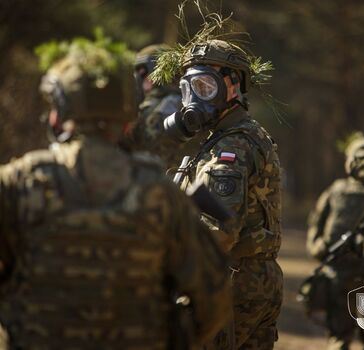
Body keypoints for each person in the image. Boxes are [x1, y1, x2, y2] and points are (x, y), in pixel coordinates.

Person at [0, 36, 231, 350]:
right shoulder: (162, 195)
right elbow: (213, 297)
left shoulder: (18, 183)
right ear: (127, 123)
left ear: (59, 115)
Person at [153, 37, 283, 349]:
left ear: (233, 86)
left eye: (205, 87)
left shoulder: (230, 147)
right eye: (188, 89)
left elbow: (219, 232)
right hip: (254, 280)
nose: (195, 100)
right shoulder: (242, 135)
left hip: (232, 282)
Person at [306, 128, 364, 350]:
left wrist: (321, 252)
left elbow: (316, 228)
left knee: (338, 338)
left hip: (339, 276)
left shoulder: (336, 191)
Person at [133, 44, 205, 168]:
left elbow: (154, 147)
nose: (141, 77)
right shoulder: (183, 100)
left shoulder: (170, 104)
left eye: (144, 72)